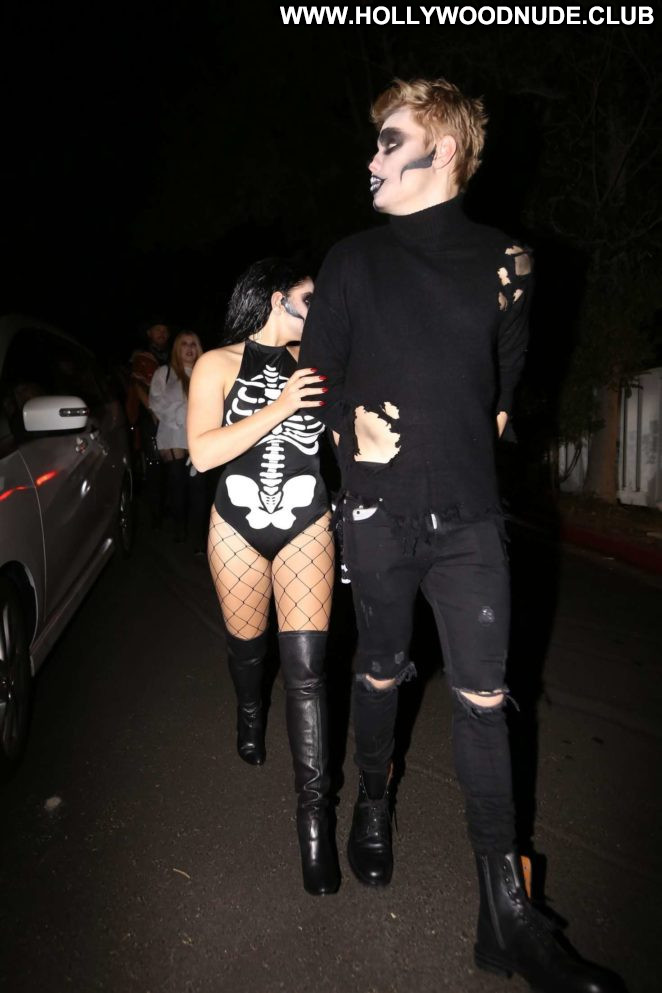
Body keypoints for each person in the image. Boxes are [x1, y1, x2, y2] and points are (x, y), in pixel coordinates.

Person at [299, 78, 621, 991]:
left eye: (388, 141)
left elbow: (502, 394)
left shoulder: (509, 261)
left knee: (486, 698)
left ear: (440, 150)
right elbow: (317, 379)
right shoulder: (353, 260)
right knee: (380, 670)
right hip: (377, 515)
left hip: (473, 521)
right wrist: (352, 427)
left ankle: (505, 915)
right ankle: (373, 799)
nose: (371, 158)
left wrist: (463, 462)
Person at [187, 258, 339, 896]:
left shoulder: (320, 363)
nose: (320, 307)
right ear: (279, 299)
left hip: (307, 517)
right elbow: (203, 453)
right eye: (311, 297)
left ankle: (315, 822)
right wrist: (279, 407)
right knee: (248, 651)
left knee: (307, 672)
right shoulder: (216, 364)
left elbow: (345, 439)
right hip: (237, 522)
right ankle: (249, 708)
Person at [149, 331, 204, 543]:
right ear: (176, 349)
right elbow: (156, 402)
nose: (189, 348)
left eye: (193, 344)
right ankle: (180, 528)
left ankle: (199, 536)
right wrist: (180, 415)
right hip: (172, 433)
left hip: (199, 434)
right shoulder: (165, 372)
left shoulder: (206, 373)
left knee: (198, 487)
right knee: (177, 483)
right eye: (184, 344)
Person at [127, 321, 170, 527]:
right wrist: (153, 411)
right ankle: (155, 513)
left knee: (170, 464)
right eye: (158, 329)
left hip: (173, 418)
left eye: (165, 330)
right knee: (154, 464)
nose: (163, 333)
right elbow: (138, 386)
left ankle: (169, 507)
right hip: (151, 418)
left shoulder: (170, 356)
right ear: (149, 333)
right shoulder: (142, 357)